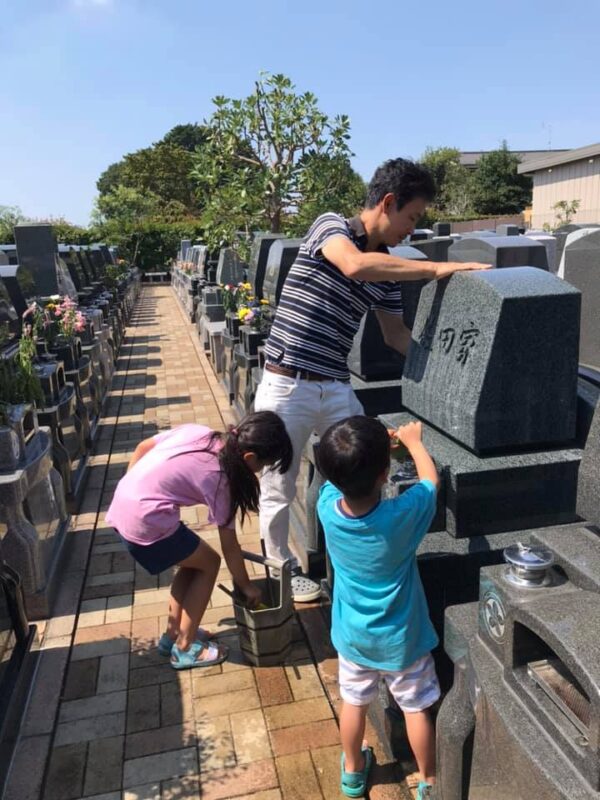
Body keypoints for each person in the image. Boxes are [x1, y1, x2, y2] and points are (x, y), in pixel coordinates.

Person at [254, 157, 489, 602]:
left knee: (364, 464)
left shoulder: (386, 272)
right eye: (412, 217)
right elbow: (353, 266)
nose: (412, 229)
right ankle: (280, 575)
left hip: (334, 384)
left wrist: (451, 367)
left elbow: (396, 336)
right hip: (289, 382)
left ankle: (356, 562)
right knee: (278, 484)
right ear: (386, 202)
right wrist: (436, 268)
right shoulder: (331, 228)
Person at [105, 411, 292, 670]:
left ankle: (173, 636)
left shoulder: (199, 433)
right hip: (146, 521)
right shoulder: (220, 479)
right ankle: (185, 648)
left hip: (123, 506)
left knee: (194, 562)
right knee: (210, 563)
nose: (259, 472)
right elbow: (229, 545)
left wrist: (131, 487)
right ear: (249, 458)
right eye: (261, 467)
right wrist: (246, 586)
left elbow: (142, 447)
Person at [317, 416, 440, 799]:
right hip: (402, 639)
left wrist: (366, 452)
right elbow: (429, 485)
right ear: (385, 474)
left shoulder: (326, 508)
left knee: (353, 701)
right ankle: (429, 781)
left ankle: (353, 772)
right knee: (415, 708)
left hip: (353, 637)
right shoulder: (400, 516)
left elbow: (332, 479)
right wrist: (414, 443)